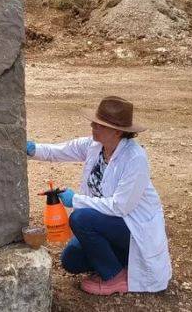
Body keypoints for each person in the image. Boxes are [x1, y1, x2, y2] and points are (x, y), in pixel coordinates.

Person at [27, 96, 171, 296]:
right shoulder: (95, 146)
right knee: (72, 259)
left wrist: (75, 199)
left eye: (100, 124)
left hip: (130, 227)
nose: (93, 126)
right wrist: (33, 149)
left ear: (118, 131)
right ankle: (122, 264)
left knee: (80, 218)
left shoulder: (135, 159)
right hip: (109, 225)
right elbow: (61, 150)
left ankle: (115, 277)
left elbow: (120, 207)